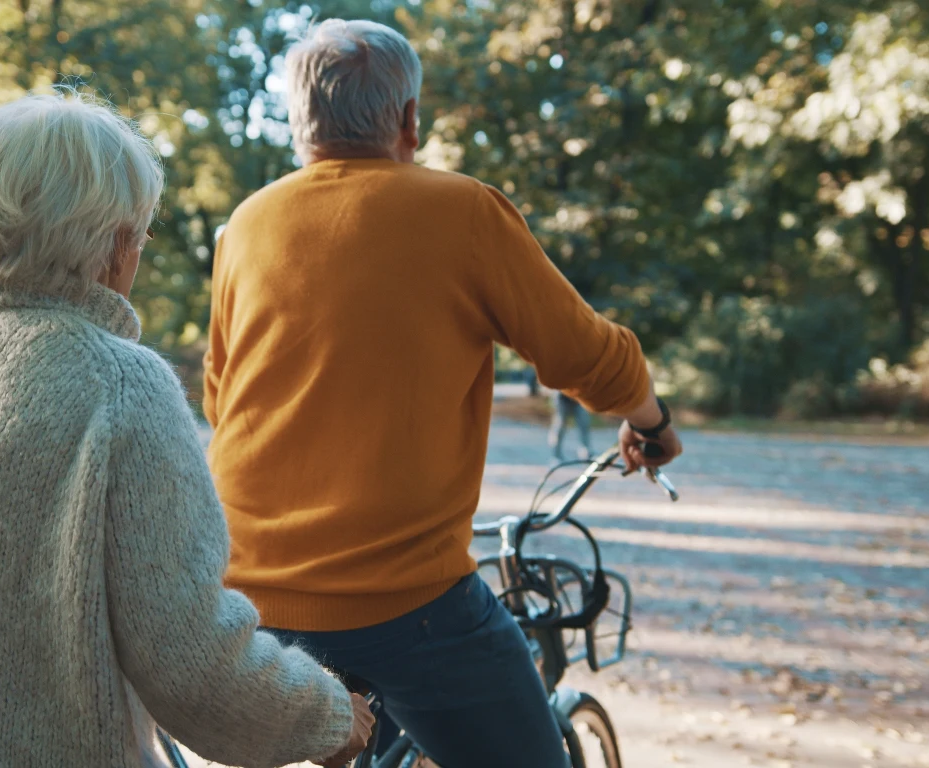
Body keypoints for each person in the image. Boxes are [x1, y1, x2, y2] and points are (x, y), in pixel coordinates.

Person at [0, 92, 373, 768]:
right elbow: (190, 658)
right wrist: (324, 713)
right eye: (140, 235)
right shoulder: (119, 385)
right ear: (117, 243)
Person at [202, 19, 682, 768]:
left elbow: (219, 398)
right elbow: (582, 351)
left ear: (301, 123)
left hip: (249, 597)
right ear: (408, 120)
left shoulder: (245, 227)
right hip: (404, 605)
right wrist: (650, 420)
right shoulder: (461, 212)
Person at [550, 391, 594, 465]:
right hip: (562, 397)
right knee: (560, 426)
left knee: (584, 424)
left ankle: (585, 452)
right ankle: (556, 456)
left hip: (579, 397)